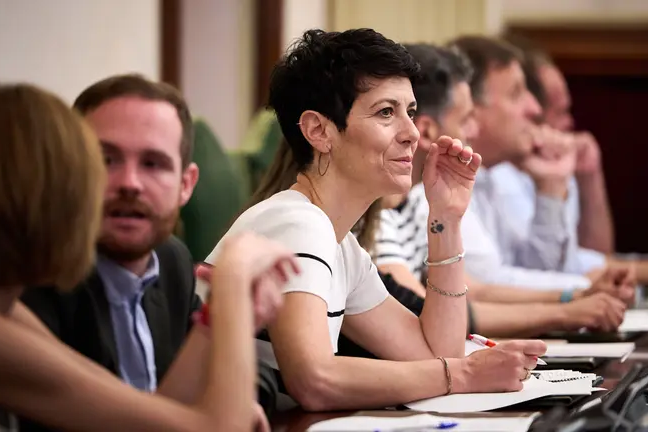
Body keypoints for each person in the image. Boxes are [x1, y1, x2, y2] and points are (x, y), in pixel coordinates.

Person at [204, 28, 547, 412]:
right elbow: (314, 380)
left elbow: (434, 353)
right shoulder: (297, 223)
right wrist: (464, 374)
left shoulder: (340, 244)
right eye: (387, 112)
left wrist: (446, 219)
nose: (413, 134)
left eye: (411, 112)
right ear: (319, 131)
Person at [0, 82, 295, 431]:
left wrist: (218, 313)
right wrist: (234, 273)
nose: (124, 184)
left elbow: (139, 414)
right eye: (98, 165)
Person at [373, 43, 631, 337]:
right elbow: (425, 314)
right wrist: (567, 308)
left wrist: (574, 298)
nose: (474, 130)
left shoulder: (417, 202)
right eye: (466, 119)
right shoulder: (376, 214)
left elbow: (471, 291)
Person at [491, 34, 648, 286]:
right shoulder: (500, 175)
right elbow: (542, 274)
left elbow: (591, 255)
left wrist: (589, 178)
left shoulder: (551, 161)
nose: (569, 123)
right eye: (561, 111)